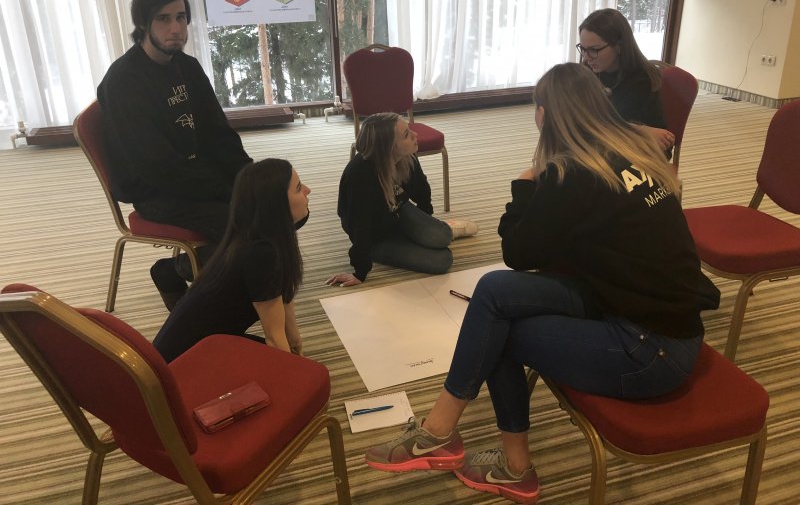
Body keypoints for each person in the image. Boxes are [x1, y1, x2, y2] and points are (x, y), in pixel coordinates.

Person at [363, 63, 720, 504]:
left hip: (650, 349)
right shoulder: (632, 152)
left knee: (497, 331)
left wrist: (524, 182)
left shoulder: (572, 174)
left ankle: (497, 460)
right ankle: (445, 434)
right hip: (646, 311)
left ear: (545, 115)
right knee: (494, 291)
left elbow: (519, 251)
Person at [97, 0, 252, 309]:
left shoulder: (188, 67)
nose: (176, 28)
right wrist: (227, 191)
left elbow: (220, 134)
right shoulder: (123, 83)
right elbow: (157, 167)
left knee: (283, 205)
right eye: (164, 19)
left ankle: (176, 270)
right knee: (244, 222)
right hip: (154, 191)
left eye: (181, 17)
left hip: (195, 175)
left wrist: (249, 177)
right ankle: (194, 285)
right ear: (143, 23)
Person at [153, 158, 309, 363]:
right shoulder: (261, 254)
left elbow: (285, 300)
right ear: (275, 204)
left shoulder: (266, 239)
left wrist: (297, 350)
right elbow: (274, 337)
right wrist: (295, 370)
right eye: (298, 188)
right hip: (183, 361)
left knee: (291, 361)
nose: (308, 190)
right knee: (283, 365)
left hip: (204, 343)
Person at [326, 112, 477, 287]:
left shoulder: (407, 155)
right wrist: (360, 271)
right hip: (376, 236)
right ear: (389, 147)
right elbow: (360, 226)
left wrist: (426, 226)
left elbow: (422, 190)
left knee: (442, 235)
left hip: (398, 209)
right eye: (406, 134)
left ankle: (448, 230)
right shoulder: (360, 175)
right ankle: (431, 235)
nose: (415, 135)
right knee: (443, 260)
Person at [578, 8, 675, 153]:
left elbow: (661, 144)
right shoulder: (586, 72)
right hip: (600, 148)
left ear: (619, 46)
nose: (586, 58)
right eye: (583, 49)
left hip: (635, 154)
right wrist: (639, 130)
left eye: (594, 50)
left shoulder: (642, 81)